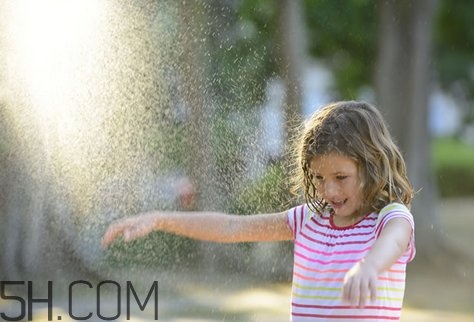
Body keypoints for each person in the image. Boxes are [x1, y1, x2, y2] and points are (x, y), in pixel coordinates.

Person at [102, 101, 415, 321]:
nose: (329, 190)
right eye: (319, 178)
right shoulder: (308, 220)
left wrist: (369, 266)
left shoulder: (388, 218)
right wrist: (160, 218)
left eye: (341, 178)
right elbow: (230, 228)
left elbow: (396, 240)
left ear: (372, 167)